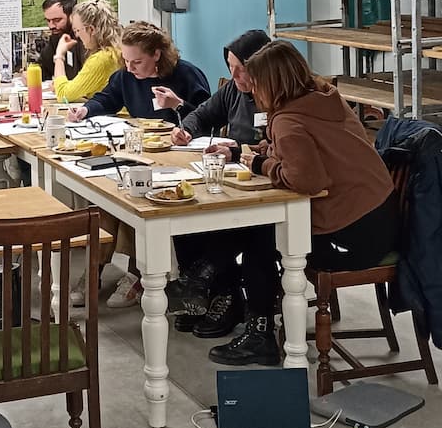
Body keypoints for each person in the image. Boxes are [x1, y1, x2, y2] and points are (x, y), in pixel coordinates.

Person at [209, 40, 398, 368]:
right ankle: (250, 313)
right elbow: (300, 151)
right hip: (380, 220)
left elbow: (307, 179)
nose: (253, 91)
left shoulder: (289, 120)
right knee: (261, 235)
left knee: (260, 239)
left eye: (256, 83)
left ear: (270, 84)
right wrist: (251, 154)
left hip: (354, 238)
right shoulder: (323, 97)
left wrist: (263, 165)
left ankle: (258, 332)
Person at [167, 29, 272, 338]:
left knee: (228, 226)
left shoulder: (276, 97)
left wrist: (239, 153)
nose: (235, 75)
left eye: (241, 69)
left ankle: (216, 291)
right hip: (235, 177)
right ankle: (211, 292)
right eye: (230, 67)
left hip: (266, 182)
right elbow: (202, 115)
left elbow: (276, 148)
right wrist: (186, 130)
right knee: (185, 219)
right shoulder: (233, 91)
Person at [68, 21, 210, 121]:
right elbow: (106, 100)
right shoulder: (125, 76)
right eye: (126, 60)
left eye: (137, 62)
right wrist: (85, 110)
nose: (130, 68)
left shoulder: (187, 74)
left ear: (156, 54)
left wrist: (177, 104)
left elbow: (209, 120)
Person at [53, 0, 122, 103]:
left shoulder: (101, 59)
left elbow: (63, 95)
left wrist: (59, 56)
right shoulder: (116, 50)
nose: (77, 35)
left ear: (91, 29)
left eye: (77, 30)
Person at [34, 0, 85, 82]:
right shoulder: (56, 37)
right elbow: (45, 66)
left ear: (72, 16)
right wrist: (34, 74)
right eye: (48, 21)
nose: (51, 26)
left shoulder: (85, 39)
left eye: (57, 20)